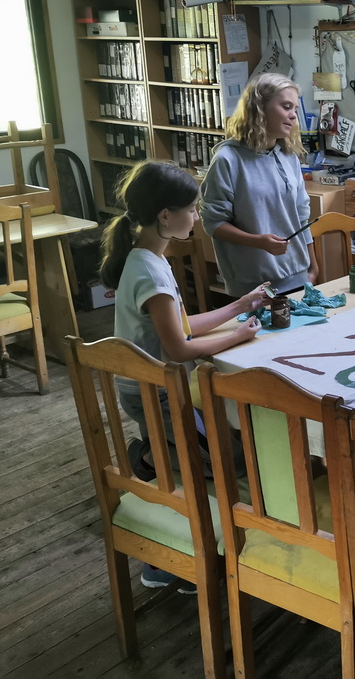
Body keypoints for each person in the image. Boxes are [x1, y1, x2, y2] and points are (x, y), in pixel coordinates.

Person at [100, 159, 269, 592]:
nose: (196, 218)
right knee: (229, 461)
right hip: (153, 392)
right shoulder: (149, 270)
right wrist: (237, 337)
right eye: (192, 210)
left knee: (220, 448)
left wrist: (238, 308)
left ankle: (157, 457)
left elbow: (182, 327)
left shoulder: (148, 257)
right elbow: (178, 348)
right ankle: (151, 470)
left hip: (157, 386)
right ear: (165, 216)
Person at [200, 73, 318, 297]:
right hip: (251, 285)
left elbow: (301, 218)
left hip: (297, 277)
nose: (293, 115)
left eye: (295, 108)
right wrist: (258, 242)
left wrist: (313, 268)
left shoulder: (289, 156)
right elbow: (213, 223)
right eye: (286, 106)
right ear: (260, 108)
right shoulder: (228, 159)